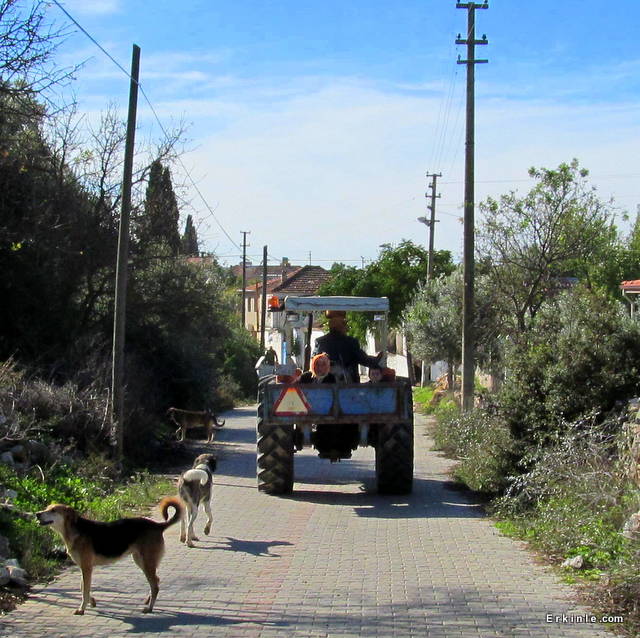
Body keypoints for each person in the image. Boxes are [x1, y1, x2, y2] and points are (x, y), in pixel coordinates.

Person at [312, 310, 382, 383]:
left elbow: (313, 360)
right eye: (345, 325)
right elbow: (363, 359)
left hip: (324, 386)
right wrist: (375, 360)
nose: (347, 329)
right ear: (340, 327)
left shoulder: (320, 341)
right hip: (349, 386)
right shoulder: (351, 342)